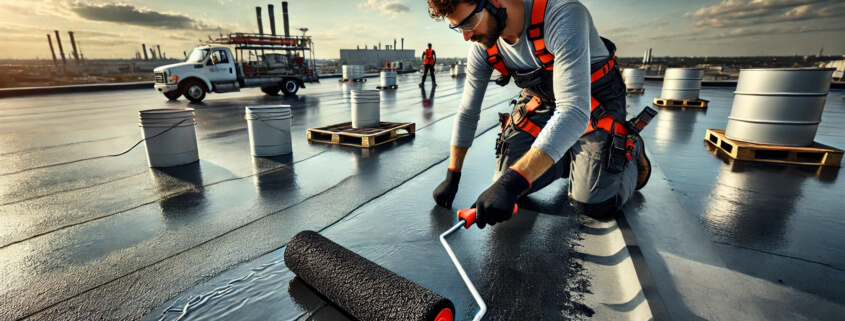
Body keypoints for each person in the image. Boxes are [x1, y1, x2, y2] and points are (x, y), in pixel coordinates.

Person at [427, 0, 652, 227]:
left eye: (469, 22)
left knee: (593, 203)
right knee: (503, 181)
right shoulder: (484, 46)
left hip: (595, 100)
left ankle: (630, 149)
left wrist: (511, 185)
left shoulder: (562, 15)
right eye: (458, 27)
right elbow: (468, 112)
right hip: (544, 98)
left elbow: (573, 110)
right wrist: (452, 177)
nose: (466, 36)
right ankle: (565, 156)